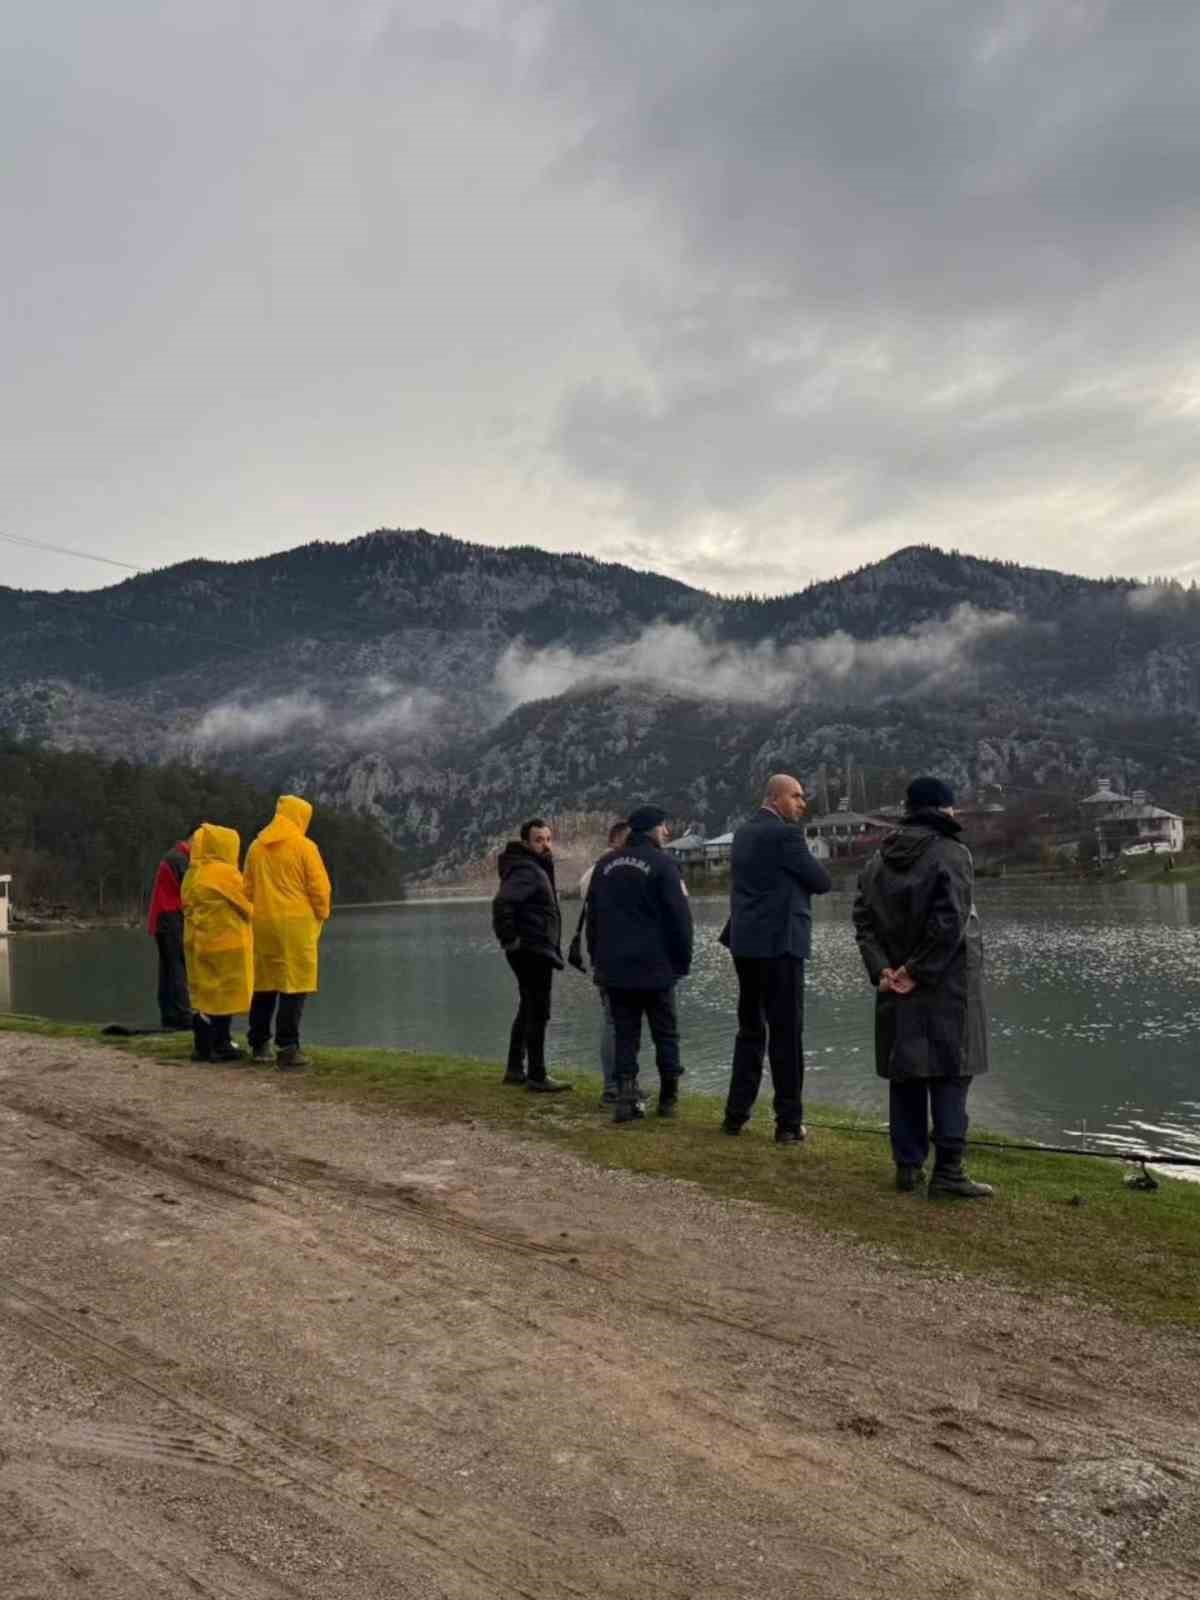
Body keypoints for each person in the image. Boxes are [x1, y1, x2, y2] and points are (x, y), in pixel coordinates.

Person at [852, 776, 993, 1198]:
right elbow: (950, 921)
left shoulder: (876, 861)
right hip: (947, 985)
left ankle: (908, 1166)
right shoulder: (952, 853)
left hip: (895, 986)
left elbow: (863, 921)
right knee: (952, 1069)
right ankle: (948, 1172)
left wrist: (883, 971)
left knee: (907, 1071)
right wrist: (919, 970)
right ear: (943, 809)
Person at [721, 774, 832, 1144]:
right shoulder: (786, 836)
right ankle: (788, 1123)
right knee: (786, 1034)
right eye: (796, 796)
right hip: (780, 946)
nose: (802, 803)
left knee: (750, 1029)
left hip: (745, 944)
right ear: (776, 797)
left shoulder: (742, 834)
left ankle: (735, 1115)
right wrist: (796, 882)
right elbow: (821, 881)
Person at [586, 805, 693, 1124]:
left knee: (625, 1035)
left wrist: (597, 961)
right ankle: (669, 1098)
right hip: (656, 967)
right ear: (651, 830)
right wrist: (682, 962)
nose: (667, 833)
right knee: (665, 1034)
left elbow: (593, 919)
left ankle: (625, 1098)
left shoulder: (604, 865)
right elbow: (680, 919)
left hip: (615, 968)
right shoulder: (663, 864)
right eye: (663, 827)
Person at [243, 795, 331, 1071]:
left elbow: (246, 889)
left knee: (265, 984)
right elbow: (320, 889)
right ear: (300, 817)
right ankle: (288, 1047)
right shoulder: (305, 847)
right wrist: (321, 913)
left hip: (263, 923)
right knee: (295, 985)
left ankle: (259, 1043)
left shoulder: (256, 848)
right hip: (295, 925)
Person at [492, 818, 571, 1093]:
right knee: (539, 1011)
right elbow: (503, 903)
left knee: (528, 1007)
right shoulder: (527, 869)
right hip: (532, 949)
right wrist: (510, 940)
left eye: (549, 839)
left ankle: (515, 1069)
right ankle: (537, 1075)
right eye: (539, 840)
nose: (546, 844)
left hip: (534, 947)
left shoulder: (532, 866)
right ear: (526, 843)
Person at [181, 823, 253, 1063]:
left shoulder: (195, 873)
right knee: (224, 996)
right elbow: (248, 906)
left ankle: (207, 1045)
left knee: (205, 996)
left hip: (198, 942)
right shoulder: (225, 874)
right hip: (226, 943)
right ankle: (216, 1044)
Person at [570, 819, 630, 1107]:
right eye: (629, 840)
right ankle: (615, 1085)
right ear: (616, 841)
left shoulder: (592, 873)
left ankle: (617, 1084)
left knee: (614, 1021)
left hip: (601, 956)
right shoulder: (609, 871)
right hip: (616, 957)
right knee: (615, 1022)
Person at [147, 836, 193, 1028]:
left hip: (164, 917)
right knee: (177, 967)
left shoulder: (175, 856)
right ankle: (183, 1015)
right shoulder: (180, 859)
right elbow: (192, 889)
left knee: (168, 968)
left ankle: (169, 1015)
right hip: (170, 916)